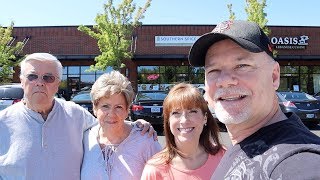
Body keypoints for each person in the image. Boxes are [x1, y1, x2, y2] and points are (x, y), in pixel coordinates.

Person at [188, 20, 320, 179]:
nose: (224, 80)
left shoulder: (298, 161)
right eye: (214, 70)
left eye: (242, 65)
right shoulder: (243, 145)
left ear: (274, 76)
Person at [0, 53, 155, 180]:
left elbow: (109, 122)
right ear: (21, 81)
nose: (40, 82)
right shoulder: (2, 123)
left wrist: (137, 125)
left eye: (48, 77)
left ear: (58, 83)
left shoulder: (75, 114)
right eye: (32, 76)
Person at [81, 70, 162, 179]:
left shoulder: (146, 140)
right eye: (105, 106)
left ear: (127, 110)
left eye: (118, 107)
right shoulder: (84, 139)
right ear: (95, 108)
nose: (111, 114)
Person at [141, 83, 225, 179]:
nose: (184, 120)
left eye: (192, 111)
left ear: (205, 118)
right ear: (168, 121)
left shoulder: (225, 158)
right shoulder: (154, 169)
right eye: (176, 113)